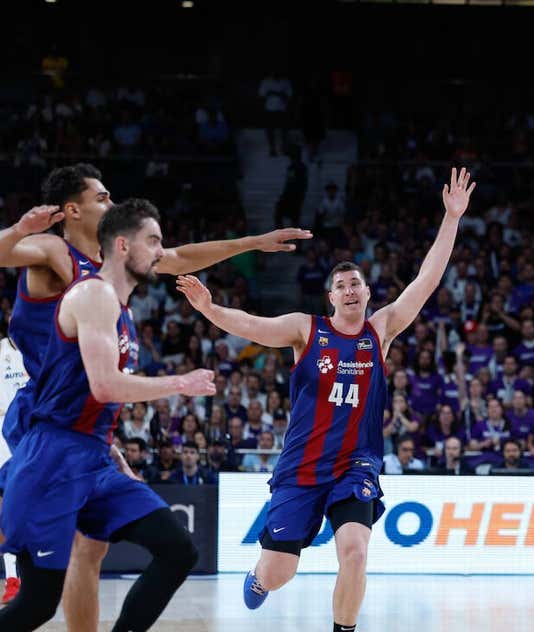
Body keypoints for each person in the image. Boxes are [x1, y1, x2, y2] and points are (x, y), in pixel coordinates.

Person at [0, 163, 307, 629]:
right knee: (47, 571)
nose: (111, 201)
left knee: (93, 546)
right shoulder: (54, 252)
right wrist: (20, 227)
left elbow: (181, 258)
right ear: (71, 210)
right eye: (101, 197)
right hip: (37, 409)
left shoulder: (116, 269)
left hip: (82, 415)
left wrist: (252, 242)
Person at [176, 167, 473, 632]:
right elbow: (253, 326)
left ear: (368, 292)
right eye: (342, 286)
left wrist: (451, 218)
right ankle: (258, 576)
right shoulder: (306, 329)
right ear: (330, 296)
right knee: (280, 572)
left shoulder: (382, 329)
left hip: (356, 463)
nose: (351, 290)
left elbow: (427, 279)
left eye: (357, 284)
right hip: (301, 466)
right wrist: (210, 309)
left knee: (355, 552)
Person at [0, 199, 215, 631]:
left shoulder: (122, 310)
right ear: (122, 246)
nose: (161, 251)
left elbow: (93, 397)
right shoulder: (93, 293)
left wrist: (111, 448)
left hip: (92, 455)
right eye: (152, 240)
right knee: (39, 603)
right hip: (54, 459)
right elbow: (105, 385)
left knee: (178, 550)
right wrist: (178, 383)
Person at [0, 317, 28, 603]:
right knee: (7, 506)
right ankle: (12, 577)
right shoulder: (0, 353)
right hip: (3, 435)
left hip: (36, 434)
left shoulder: (45, 352)